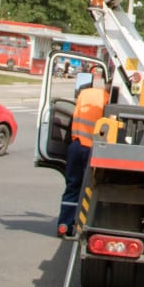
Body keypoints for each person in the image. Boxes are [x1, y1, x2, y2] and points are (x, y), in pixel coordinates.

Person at [58, 70, 108, 238]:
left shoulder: (83, 94)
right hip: (93, 150)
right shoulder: (107, 98)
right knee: (91, 189)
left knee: (72, 186)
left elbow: (75, 116)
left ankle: (64, 224)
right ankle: (84, 226)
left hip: (76, 145)